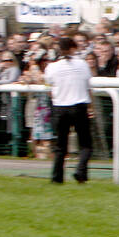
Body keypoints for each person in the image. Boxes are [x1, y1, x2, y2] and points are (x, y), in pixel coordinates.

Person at [43, 36, 93, 184]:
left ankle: (56, 177)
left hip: (60, 108)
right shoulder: (83, 65)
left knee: (60, 146)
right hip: (79, 106)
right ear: (74, 48)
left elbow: (48, 88)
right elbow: (88, 87)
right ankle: (81, 171)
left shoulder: (51, 67)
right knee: (85, 144)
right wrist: (91, 107)